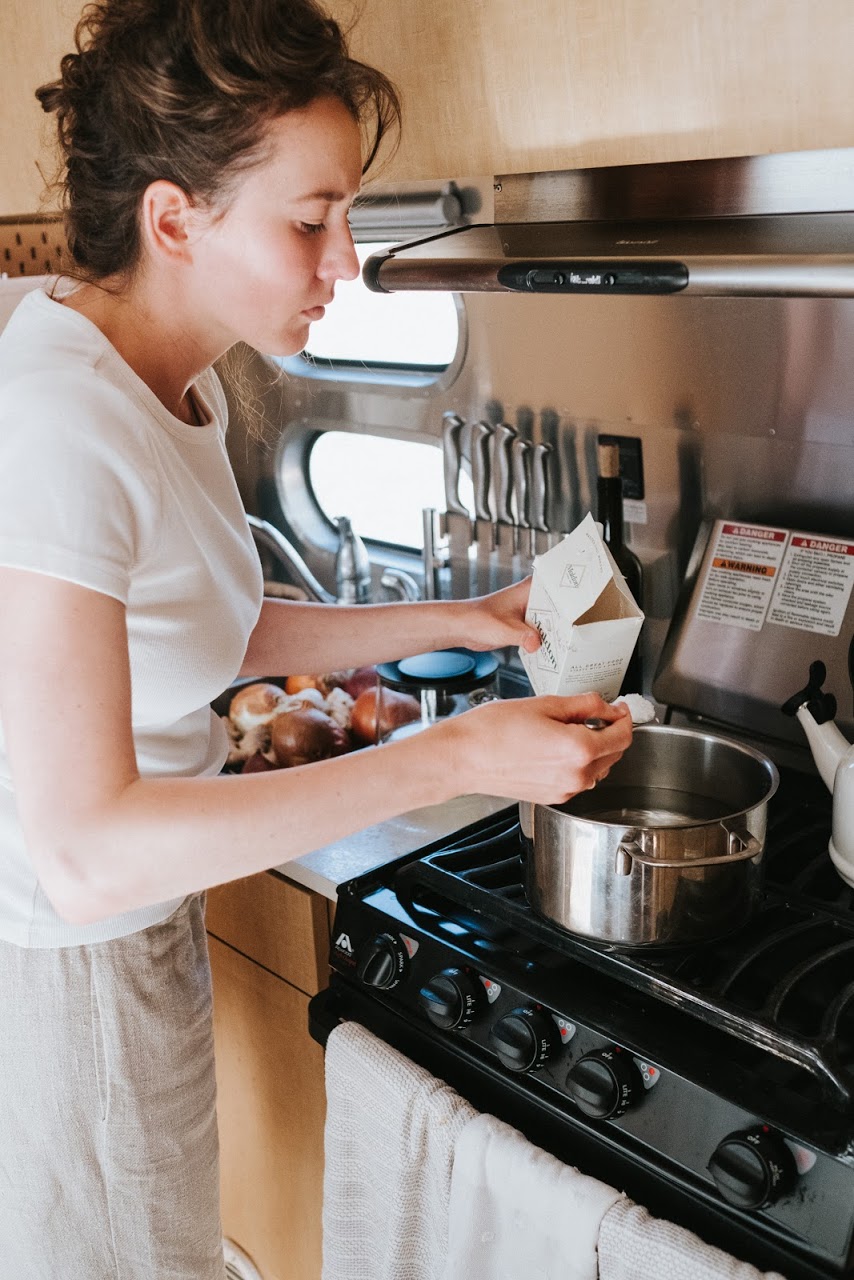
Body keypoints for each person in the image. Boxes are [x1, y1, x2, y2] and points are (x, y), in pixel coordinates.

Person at [0, 1, 633, 1276]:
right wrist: (450, 754)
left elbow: (202, 623)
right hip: (67, 976)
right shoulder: (63, 422)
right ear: (174, 219)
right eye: (310, 220)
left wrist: (461, 616)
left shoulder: (166, 377)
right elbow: (84, 852)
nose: (346, 259)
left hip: (128, 937)